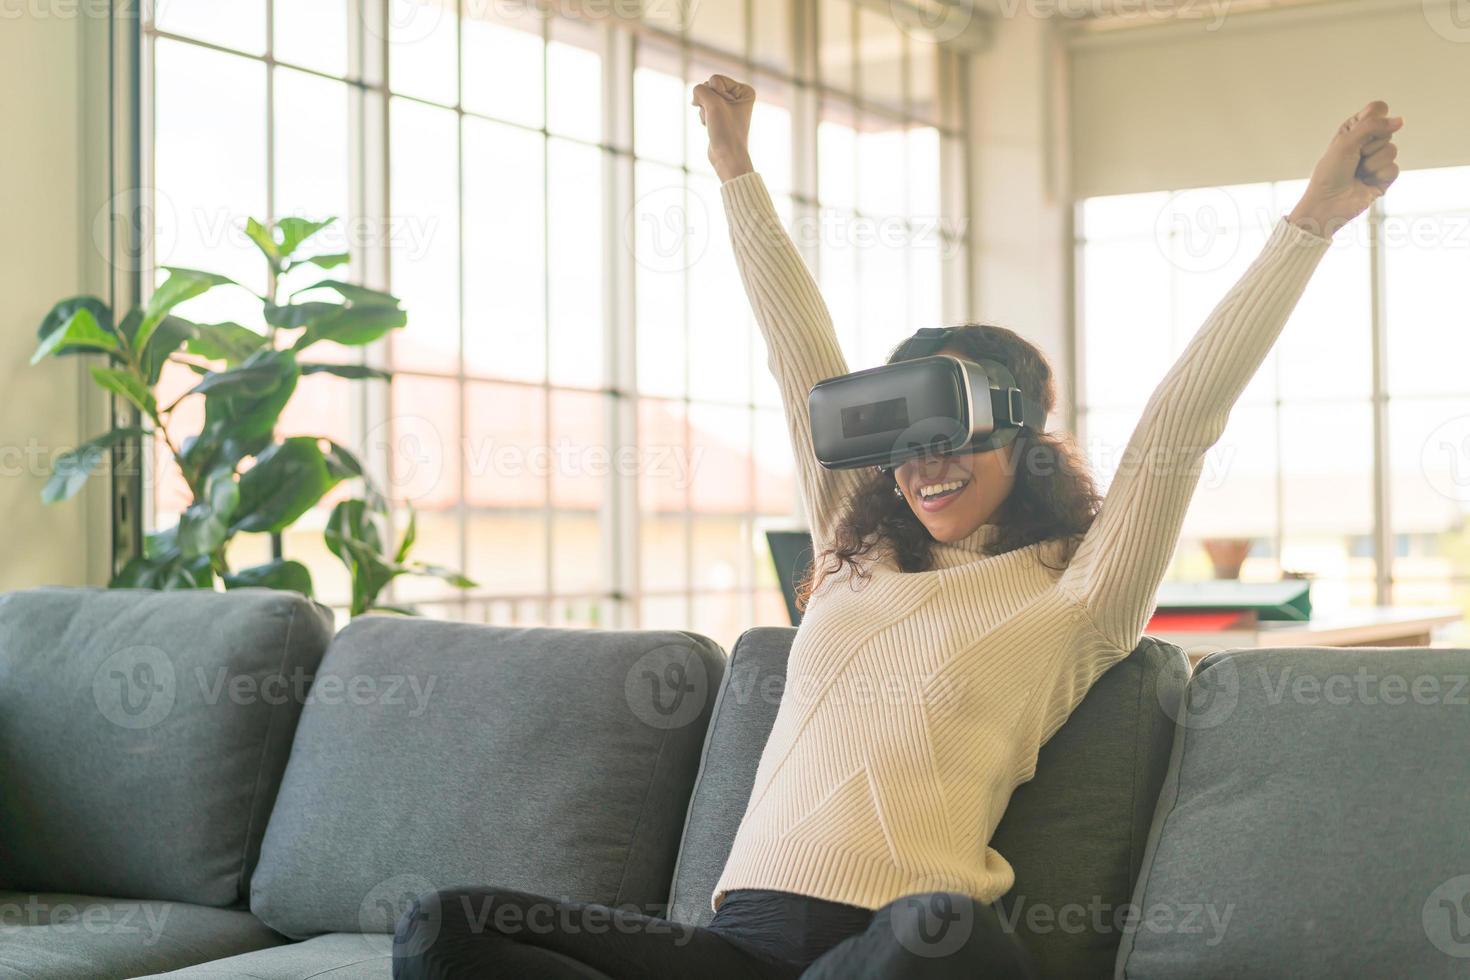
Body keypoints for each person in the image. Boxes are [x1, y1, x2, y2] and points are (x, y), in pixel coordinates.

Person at [393, 75, 1402, 980]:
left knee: (936, 927)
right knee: (447, 924)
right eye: (904, 443)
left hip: (910, 943)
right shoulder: (852, 543)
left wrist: (1313, 217)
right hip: (735, 947)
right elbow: (802, 359)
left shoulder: (1080, 587)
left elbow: (1184, 413)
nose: (926, 465)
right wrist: (736, 168)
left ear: (1021, 432)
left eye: (951, 434)